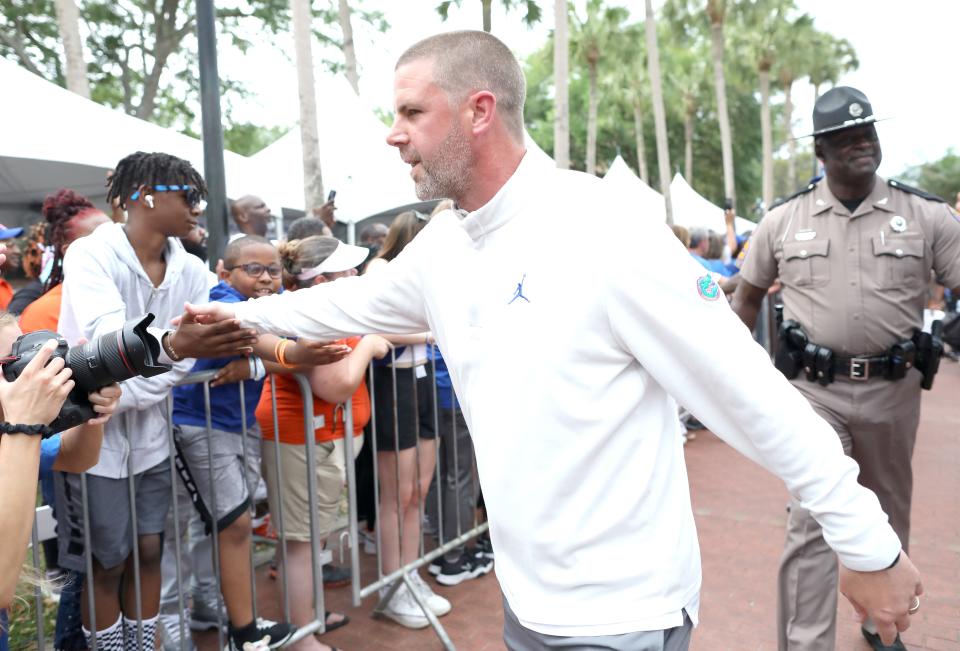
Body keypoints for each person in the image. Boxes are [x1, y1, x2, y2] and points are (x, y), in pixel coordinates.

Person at [187, 32, 923, 651]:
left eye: (411, 110)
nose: (393, 132)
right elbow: (348, 303)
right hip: (527, 603)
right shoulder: (446, 244)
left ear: (479, 110)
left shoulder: (606, 228)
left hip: (623, 615)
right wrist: (219, 328)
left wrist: (867, 545)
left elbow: (754, 394)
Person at [731, 86, 960, 651]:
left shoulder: (927, 216)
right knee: (811, 520)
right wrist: (742, 380)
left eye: (868, 133)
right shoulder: (783, 220)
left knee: (886, 512)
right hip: (814, 395)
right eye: (846, 137)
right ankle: (806, 641)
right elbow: (746, 296)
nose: (862, 143)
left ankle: (880, 624)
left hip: (893, 394)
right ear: (820, 150)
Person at [55, 151, 255, 651]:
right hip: (89, 435)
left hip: (151, 436)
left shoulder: (190, 268)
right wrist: (168, 358)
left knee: (149, 550)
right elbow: (109, 340)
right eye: (189, 195)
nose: (198, 208)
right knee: (107, 561)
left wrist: (285, 351)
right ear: (146, 195)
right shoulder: (90, 254)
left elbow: (208, 337)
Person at [255, 235, 386, 651]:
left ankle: (307, 618)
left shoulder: (327, 311)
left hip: (323, 438)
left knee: (312, 540)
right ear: (320, 278)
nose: (354, 275)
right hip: (302, 437)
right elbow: (335, 385)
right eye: (345, 270)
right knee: (301, 544)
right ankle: (301, 638)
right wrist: (368, 343)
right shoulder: (307, 317)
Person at [170, 235, 298, 650]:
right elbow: (274, 345)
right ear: (226, 272)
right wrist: (271, 360)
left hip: (234, 424)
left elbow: (274, 351)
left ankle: (222, 612)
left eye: (273, 270)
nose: (265, 278)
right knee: (233, 523)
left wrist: (256, 366)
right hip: (200, 424)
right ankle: (243, 633)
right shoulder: (221, 299)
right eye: (254, 269)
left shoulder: (266, 304)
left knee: (227, 524)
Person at [363, 211, 448, 629]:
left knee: (418, 489)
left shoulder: (428, 271)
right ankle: (392, 585)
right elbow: (374, 327)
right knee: (397, 494)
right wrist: (432, 333)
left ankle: (409, 575)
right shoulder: (381, 268)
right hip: (391, 383)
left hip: (421, 377)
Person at [19, 189, 111, 333]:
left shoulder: (137, 291)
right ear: (70, 251)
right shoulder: (42, 313)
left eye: (118, 236)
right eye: (104, 242)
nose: (116, 246)